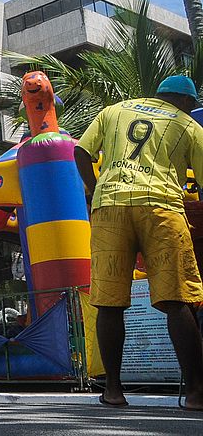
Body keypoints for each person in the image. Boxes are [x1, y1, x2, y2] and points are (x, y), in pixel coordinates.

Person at [73, 75, 203, 410]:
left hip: (110, 206)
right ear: (185, 101)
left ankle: (113, 391)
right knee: (177, 300)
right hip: (162, 208)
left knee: (109, 302)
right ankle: (195, 394)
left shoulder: (114, 110)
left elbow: (81, 151)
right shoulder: (188, 124)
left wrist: (93, 190)